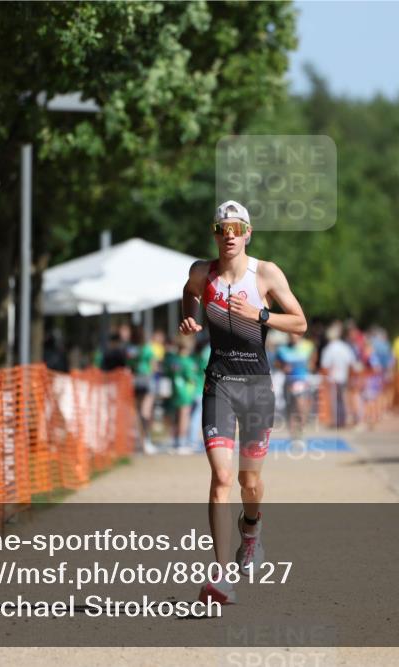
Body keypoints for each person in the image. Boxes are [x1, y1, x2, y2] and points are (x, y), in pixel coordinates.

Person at [179, 200, 307, 606]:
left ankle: (251, 529)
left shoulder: (265, 273)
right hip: (218, 382)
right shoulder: (203, 273)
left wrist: (261, 315)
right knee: (220, 477)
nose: (229, 234)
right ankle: (220, 576)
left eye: (236, 227)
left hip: (256, 387)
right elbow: (188, 292)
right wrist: (189, 316)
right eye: (222, 228)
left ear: (248, 233)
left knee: (247, 483)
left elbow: (301, 323)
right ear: (214, 235)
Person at [275, 332, 316, 447]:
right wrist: (283, 367)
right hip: (288, 382)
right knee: (290, 409)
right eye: (291, 335)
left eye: (295, 335)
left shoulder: (308, 346)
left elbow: (313, 361)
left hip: (302, 381)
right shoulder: (282, 349)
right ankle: (293, 435)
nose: (293, 337)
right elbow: (277, 363)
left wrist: (310, 366)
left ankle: (301, 431)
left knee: (301, 407)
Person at [319, 321, 359, 429]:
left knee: (335, 401)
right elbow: (352, 364)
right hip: (343, 377)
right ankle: (343, 420)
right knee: (343, 399)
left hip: (333, 378)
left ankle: (337, 421)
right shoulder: (345, 347)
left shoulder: (329, 349)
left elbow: (325, 366)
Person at [163, 336, 199, 455]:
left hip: (175, 391)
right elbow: (192, 378)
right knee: (184, 417)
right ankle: (181, 443)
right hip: (186, 393)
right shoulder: (188, 361)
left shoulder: (173, 360)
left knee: (176, 418)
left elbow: (168, 373)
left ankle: (175, 441)